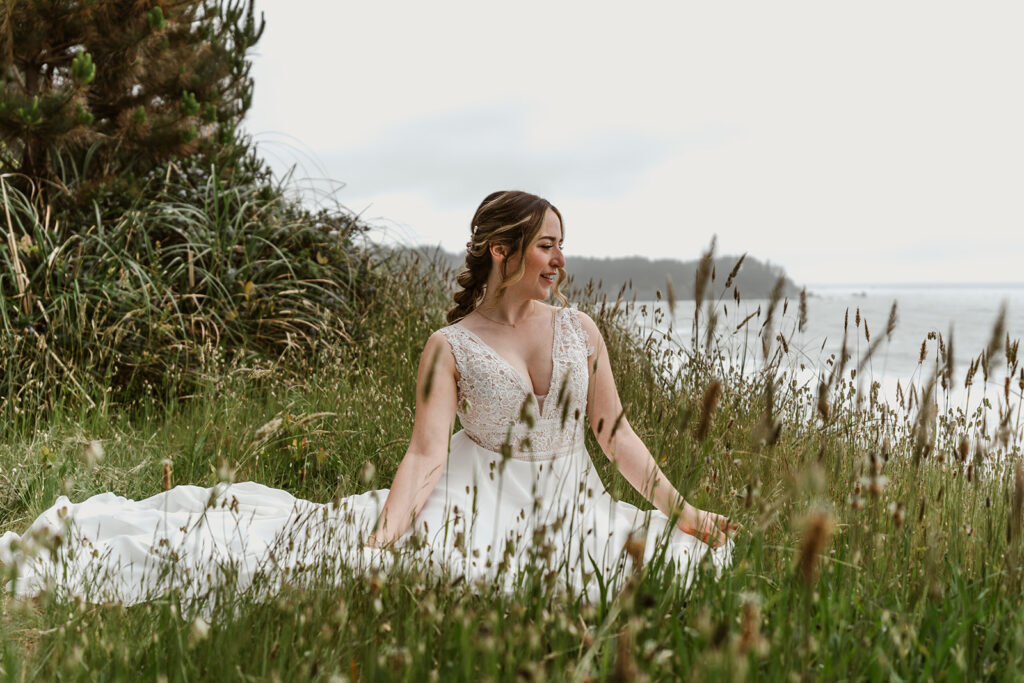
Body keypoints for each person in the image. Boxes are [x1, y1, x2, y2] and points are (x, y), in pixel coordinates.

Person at [0, 190, 732, 606]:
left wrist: (686, 511)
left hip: (572, 507)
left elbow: (616, 435)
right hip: (478, 503)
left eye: (561, 245)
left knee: (670, 564)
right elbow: (425, 454)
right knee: (399, 565)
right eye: (546, 245)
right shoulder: (450, 346)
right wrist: (382, 540)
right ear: (502, 251)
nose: (560, 260)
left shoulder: (581, 331)